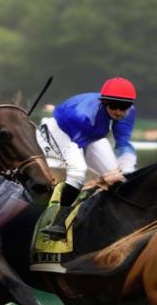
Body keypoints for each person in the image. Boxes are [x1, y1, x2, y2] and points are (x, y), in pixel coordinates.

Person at [38, 77, 137, 240]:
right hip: (63, 131)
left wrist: (127, 168)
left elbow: (123, 142)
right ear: (104, 102)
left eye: (124, 107)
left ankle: (114, 219)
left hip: (91, 134)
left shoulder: (128, 112)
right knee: (78, 171)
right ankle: (58, 222)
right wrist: (101, 179)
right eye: (114, 107)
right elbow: (78, 146)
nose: (119, 112)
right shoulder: (84, 115)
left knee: (120, 178)